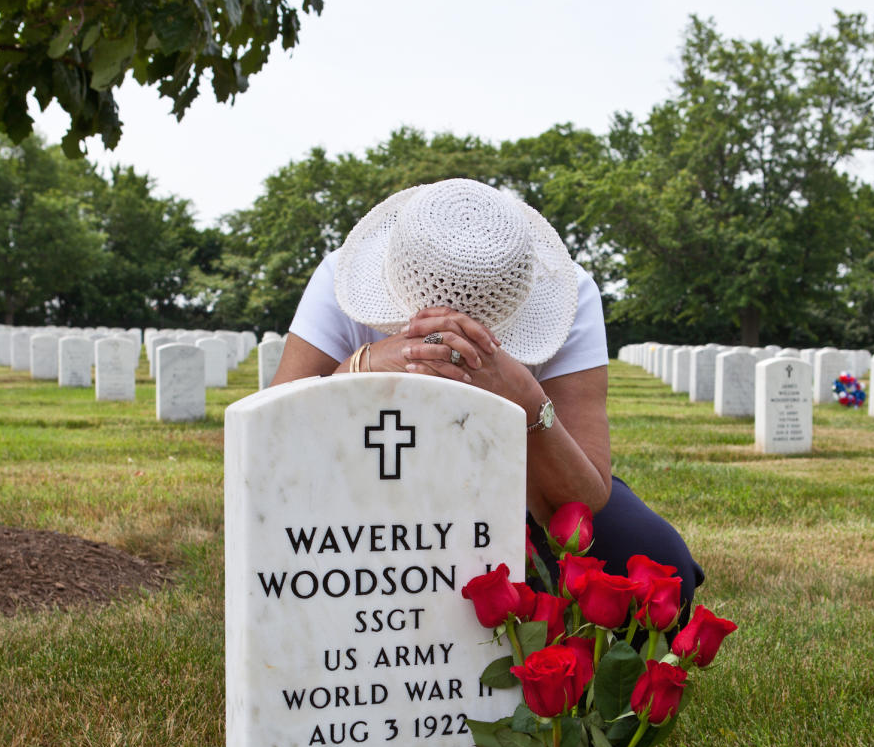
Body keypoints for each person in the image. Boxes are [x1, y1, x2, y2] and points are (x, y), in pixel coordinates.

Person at [270, 179, 703, 617]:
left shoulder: (570, 292)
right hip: (369, 486)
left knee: (659, 564)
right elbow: (271, 443)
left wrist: (523, 397)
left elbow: (588, 494)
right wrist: (367, 365)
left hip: (519, 485)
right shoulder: (339, 278)